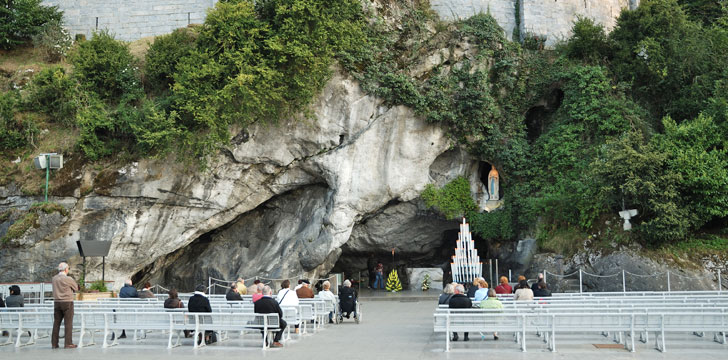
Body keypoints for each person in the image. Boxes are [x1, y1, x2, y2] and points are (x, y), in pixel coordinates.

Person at [51, 262, 78, 349]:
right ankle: (68, 343)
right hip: (67, 302)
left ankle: (54, 343)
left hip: (57, 302)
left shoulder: (54, 278)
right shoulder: (68, 279)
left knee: (56, 323)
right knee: (68, 323)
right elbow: (76, 288)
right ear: (66, 269)